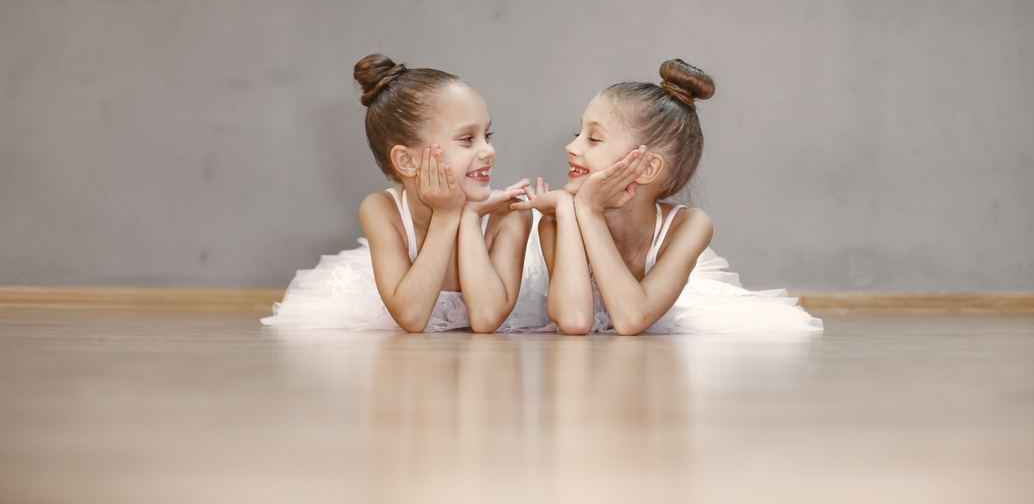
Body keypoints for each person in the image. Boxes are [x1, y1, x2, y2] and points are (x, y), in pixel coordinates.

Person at [512, 59, 822, 335]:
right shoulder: (557, 222)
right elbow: (575, 321)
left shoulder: (690, 225)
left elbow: (632, 318)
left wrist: (591, 211)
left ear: (647, 168)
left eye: (593, 138)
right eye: (577, 134)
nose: (572, 147)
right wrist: (572, 210)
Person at [262, 55, 548, 333]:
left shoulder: (509, 215)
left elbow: (486, 319)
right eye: (467, 139)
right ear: (408, 161)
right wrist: (446, 216)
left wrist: (471, 217)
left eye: (487, 135)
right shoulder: (381, 209)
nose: (488, 151)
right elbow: (411, 317)